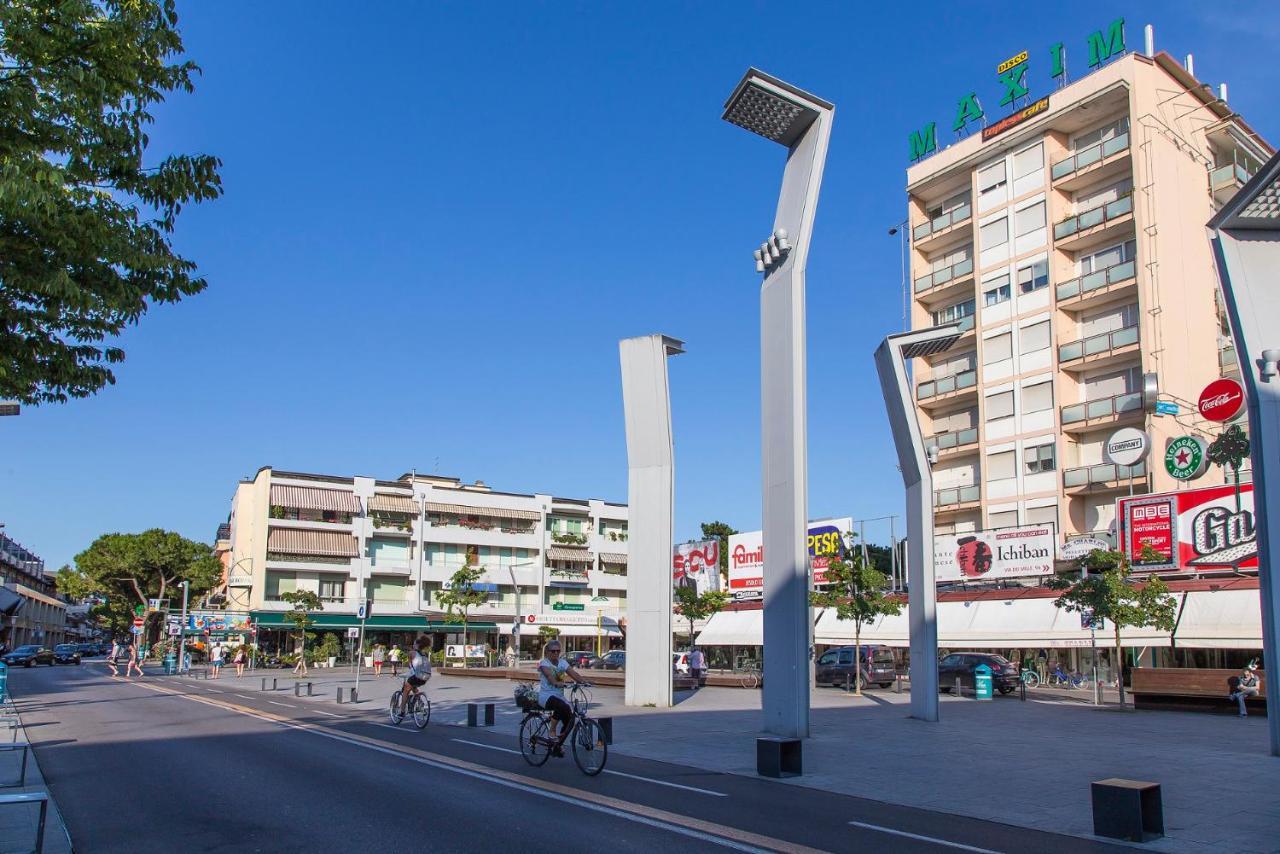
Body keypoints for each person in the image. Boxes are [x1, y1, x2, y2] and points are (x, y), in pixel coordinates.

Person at [537, 639, 590, 757]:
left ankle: (558, 745)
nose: (556, 653)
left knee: (569, 719)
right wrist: (556, 683)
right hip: (546, 696)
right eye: (553, 651)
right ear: (547, 652)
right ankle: (552, 731)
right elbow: (549, 676)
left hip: (559, 696)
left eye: (558, 651)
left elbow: (573, 673)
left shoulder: (562, 662)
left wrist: (584, 682)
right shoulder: (544, 663)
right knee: (562, 706)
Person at [396, 636, 433, 714]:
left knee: (406, 690)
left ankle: (402, 711)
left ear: (416, 645)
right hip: (426, 677)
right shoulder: (425, 654)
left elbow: (410, 666)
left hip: (417, 676)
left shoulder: (411, 653)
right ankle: (419, 701)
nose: (413, 645)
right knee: (413, 686)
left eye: (414, 643)